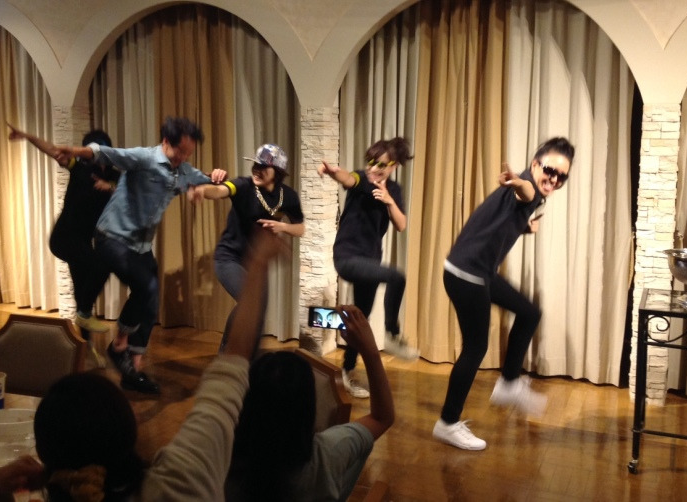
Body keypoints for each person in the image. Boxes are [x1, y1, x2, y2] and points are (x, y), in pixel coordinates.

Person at [0, 230, 287, 502]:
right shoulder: (182, 481)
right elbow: (231, 368)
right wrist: (258, 264)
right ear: (130, 430)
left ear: (43, 456)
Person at [432, 137, 575, 451]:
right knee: (476, 348)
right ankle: (447, 423)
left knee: (529, 313)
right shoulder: (528, 187)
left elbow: (506, 216)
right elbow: (525, 191)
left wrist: (525, 227)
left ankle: (509, 383)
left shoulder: (532, 194)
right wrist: (519, 183)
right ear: (535, 164)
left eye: (561, 176)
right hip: (466, 274)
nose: (554, 179)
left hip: (478, 271)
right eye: (549, 170)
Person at [53, 117, 214, 394]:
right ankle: (118, 346)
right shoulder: (144, 158)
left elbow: (207, 181)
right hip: (112, 238)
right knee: (145, 286)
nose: (183, 158)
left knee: (150, 302)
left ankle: (132, 371)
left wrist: (213, 180)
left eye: (188, 153)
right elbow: (106, 153)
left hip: (140, 246)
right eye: (180, 151)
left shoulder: (183, 171)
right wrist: (76, 151)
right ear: (166, 142)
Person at [224, 305, 394, 502]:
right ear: (310, 409)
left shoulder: (219, 461)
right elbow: (382, 418)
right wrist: (369, 351)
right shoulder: (329, 453)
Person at [318, 137, 417, 399]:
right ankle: (393, 335)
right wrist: (332, 172)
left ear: (393, 166)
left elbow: (401, 225)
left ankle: (346, 373)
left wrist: (388, 200)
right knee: (396, 277)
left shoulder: (393, 190)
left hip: (370, 260)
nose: (373, 168)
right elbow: (347, 178)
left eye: (381, 164)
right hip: (347, 257)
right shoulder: (361, 179)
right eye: (370, 162)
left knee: (359, 318)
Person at [7, 124, 120, 347]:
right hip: (63, 238)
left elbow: (128, 193)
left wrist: (110, 187)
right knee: (101, 266)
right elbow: (51, 149)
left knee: (82, 290)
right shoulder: (79, 167)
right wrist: (28, 136)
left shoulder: (115, 176)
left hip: (83, 241)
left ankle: (85, 345)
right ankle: (84, 319)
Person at [188, 144, 304, 350]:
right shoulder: (243, 185)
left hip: (257, 264)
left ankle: (248, 359)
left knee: (257, 315)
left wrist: (283, 227)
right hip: (229, 258)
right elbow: (220, 190)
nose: (257, 170)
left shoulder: (288, 196)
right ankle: (227, 351)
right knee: (250, 302)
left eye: (263, 167)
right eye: (255, 165)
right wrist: (202, 190)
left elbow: (300, 229)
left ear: (277, 172)